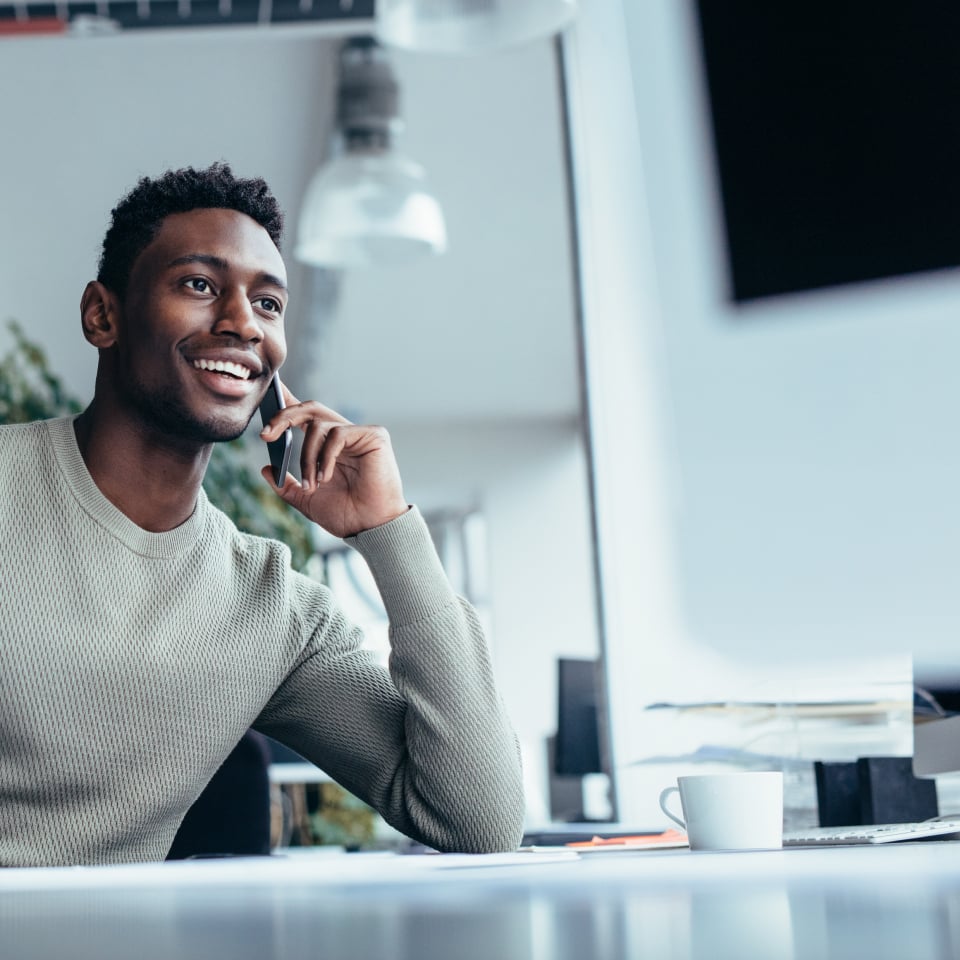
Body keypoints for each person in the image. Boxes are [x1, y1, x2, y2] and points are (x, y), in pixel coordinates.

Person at [0, 162, 525, 867]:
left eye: (269, 304)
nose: (243, 323)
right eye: (199, 285)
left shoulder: (273, 609)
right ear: (104, 315)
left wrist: (389, 531)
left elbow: (478, 820)